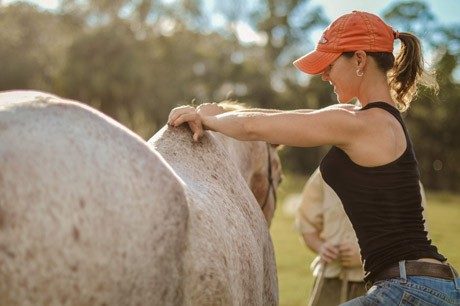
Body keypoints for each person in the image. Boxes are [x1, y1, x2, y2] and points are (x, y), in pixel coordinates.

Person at [167, 10, 460, 305]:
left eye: (330, 64)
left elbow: (253, 126)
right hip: (418, 285)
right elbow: (290, 118)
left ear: (359, 60)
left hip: (411, 289)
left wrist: (207, 119)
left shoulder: (363, 124)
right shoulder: (362, 118)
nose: (324, 74)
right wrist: (223, 114)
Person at [295, 168, 429, 305]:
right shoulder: (327, 170)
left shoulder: (404, 175)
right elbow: (306, 224)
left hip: (379, 285)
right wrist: (321, 247)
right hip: (330, 283)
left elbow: (413, 240)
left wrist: (368, 257)